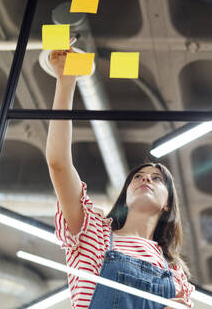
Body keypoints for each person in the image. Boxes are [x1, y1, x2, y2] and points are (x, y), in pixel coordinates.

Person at [46, 49, 194, 309]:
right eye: (137, 176)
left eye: (157, 179)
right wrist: (65, 81)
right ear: (125, 193)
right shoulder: (92, 233)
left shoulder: (174, 274)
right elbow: (58, 164)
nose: (145, 179)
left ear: (168, 204)